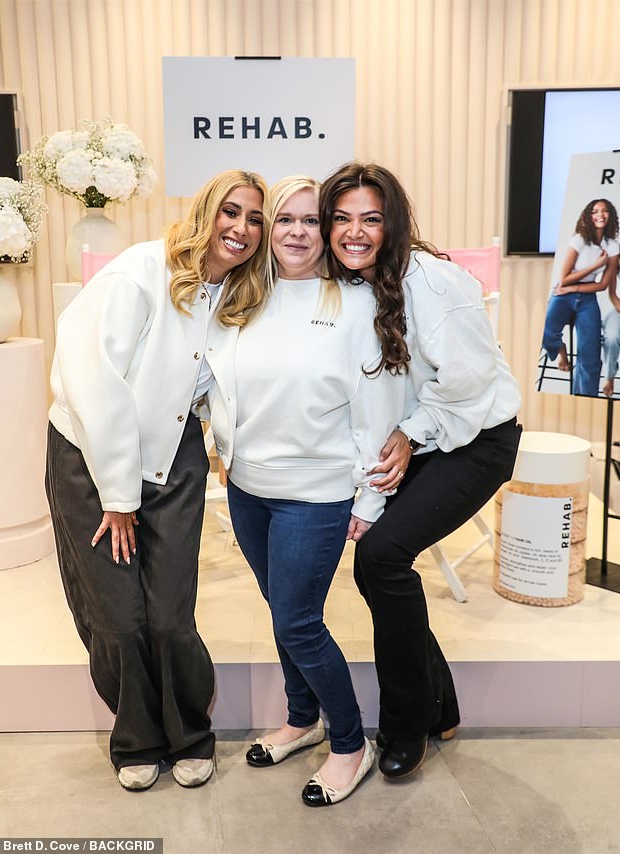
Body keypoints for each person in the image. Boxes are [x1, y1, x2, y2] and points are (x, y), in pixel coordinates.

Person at [45, 169, 270, 790]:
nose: (241, 228)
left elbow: (221, 392)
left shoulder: (238, 298)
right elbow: (94, 384)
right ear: (204, 210)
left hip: (175, 458)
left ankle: (189, 734)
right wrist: (118, 497)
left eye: (255, 219)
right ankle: (137, 738)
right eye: (231, 211)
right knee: (119, 617)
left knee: (170, 615)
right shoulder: (139, 272)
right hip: (91, 459)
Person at [319, 161, 522, 780]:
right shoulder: (355, 285)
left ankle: (407, 727)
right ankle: (442, 707)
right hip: (426, 435)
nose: (355, 232)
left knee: (380, 559)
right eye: (342, 218)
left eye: (371, 219)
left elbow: (469, 381)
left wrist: (412, 433)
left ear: (394, 223)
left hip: (478, 437)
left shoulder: (433, 282)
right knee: (380, 568)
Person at [206, 176, 404, 805]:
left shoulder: (353, 304)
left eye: (309, 221)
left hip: (316, 494)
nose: (295, 232)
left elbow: (377, 411)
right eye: (282, 220)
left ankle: (350, 744)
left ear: (326, 231)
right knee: (284, 616)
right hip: (247, 488)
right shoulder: (241, 296)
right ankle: (301, 718)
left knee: (298, 622)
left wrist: (370, 500)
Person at [541, 199, 620, 397]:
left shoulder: (612, 246)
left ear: (610, 215)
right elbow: (564, 278)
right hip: (563, 295)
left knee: (590, 357)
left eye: (604, 211)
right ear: (588, 216)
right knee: (547, 333)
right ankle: (561, 351)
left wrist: (573, 288)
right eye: (595, 211)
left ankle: (585, 398)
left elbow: (602, 285)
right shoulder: (579, 240)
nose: (600, 214)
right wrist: (595, 266)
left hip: (587, 298)